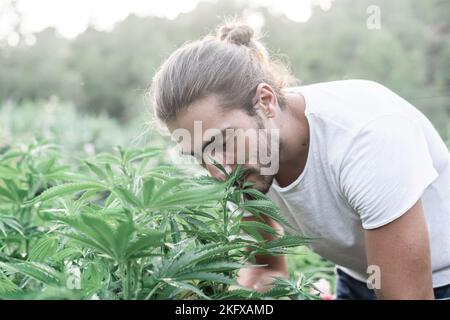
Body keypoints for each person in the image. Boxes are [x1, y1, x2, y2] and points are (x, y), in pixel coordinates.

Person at [150, 19, 450, 300]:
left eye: (224, 141)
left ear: (265, 101)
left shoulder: (364, 137)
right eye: (199, 155)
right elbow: (266, 269)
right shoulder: (240, 166)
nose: (218, 172)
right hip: (359, 276)